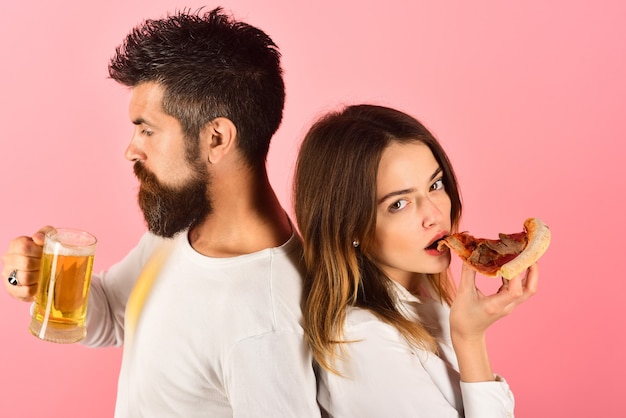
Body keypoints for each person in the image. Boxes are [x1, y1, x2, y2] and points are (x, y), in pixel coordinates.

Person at [2, 8, 320, 418]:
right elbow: (117, 315)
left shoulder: (266, 320)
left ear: (216, 137)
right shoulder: (183, 226)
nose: (131, 149)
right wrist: (37, 278)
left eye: (147, 129)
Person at [293, 104, 539, 418]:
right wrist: (470, 338)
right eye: (399, 203)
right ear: (349, 226)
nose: (435, 216)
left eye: (435, 186)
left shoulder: (428, 303)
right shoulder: (360, 340)